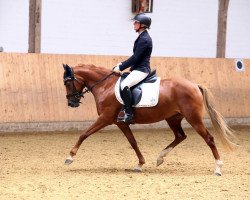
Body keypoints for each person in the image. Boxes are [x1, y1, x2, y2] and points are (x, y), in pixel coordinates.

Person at [113, 13, 153, 123]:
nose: (134, 24)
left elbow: (135, 58)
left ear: (143, 25)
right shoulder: (141, 37)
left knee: (124, 85)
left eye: (136, 22)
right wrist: (121, 64)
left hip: (142, 70)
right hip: (137, 69)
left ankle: (129, 114)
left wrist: (121, 67)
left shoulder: (144, 39)